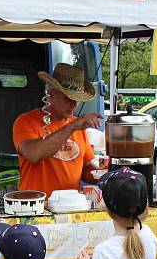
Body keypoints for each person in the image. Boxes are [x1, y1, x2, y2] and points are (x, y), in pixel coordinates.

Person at [13, 63, 107, 197]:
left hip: (69, 206)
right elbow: (33, 154)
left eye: (77, 99)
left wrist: (102, 174)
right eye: (68, 98)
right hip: (34, 207)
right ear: (51, 94)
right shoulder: (25, 121)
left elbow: (86, 169)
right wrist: (72, 126)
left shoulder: (78, 127)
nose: (74, 105)